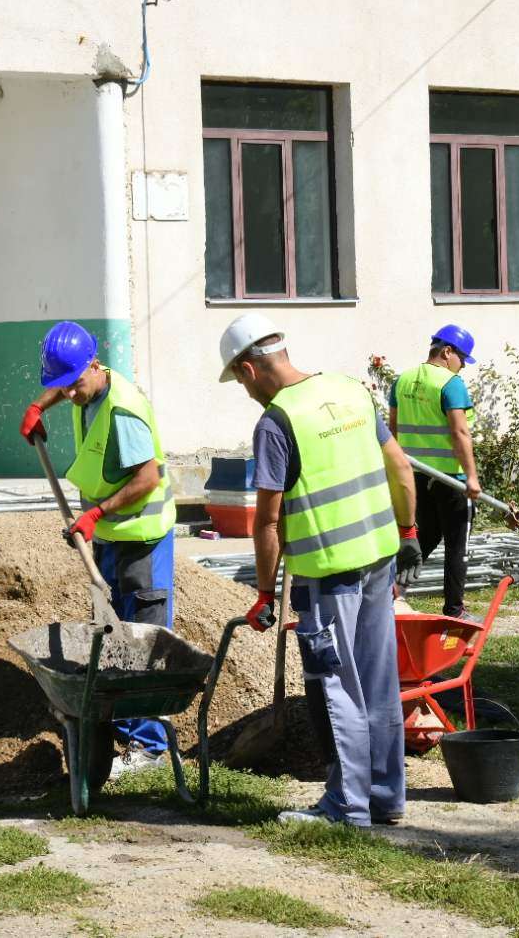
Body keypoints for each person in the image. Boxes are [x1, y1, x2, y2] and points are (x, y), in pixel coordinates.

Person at [218, 314, 420, 828]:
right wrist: (409, 530)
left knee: (337, 686)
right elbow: (399, 464)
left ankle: (347, 807)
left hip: (328, 575)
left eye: (239, 381)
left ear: (249, 368)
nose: (244, 392)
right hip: (380, 559)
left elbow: (266, 520)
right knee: (378, 682)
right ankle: (386, 799)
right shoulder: (350, 390)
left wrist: (265, 592)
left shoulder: (276, 422)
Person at [20, 320, 177, 776]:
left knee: (140, 642)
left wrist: (95, 513)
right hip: (109, 537)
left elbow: (147, 479)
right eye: (60, 388)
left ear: (93, 366)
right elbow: (63, 385)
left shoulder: (123, 412)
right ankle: (124, 731)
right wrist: (38, 404)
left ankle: (148, 747)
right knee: (112, 636)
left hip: (141, 541)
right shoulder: (86, 383)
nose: (68, 395)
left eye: (72, 386)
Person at [388, 324, 481, 621]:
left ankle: (392, 592)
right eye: (462, 358)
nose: (463, 366)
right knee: (458, 546)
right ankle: (455, 611)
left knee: (423, 537)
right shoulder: (449, 383)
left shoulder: (401, 381)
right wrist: (472, 477)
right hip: (451, 479)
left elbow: (393, 431)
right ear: (447, 352)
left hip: (417, 476)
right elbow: (459, 432)